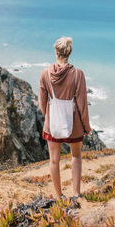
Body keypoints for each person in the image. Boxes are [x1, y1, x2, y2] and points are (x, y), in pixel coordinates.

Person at [38, 36, 92, 200]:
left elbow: (42, 101)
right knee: (76, 156)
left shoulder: (45, 73)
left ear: (56, 51)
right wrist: (86, 126)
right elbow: (82, 103)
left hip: (52, 121)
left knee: (54, 160)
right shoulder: (78, 75)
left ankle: (59, 195)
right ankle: (76, 193)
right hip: (73, 122)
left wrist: (48, 117)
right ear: (70, 52)